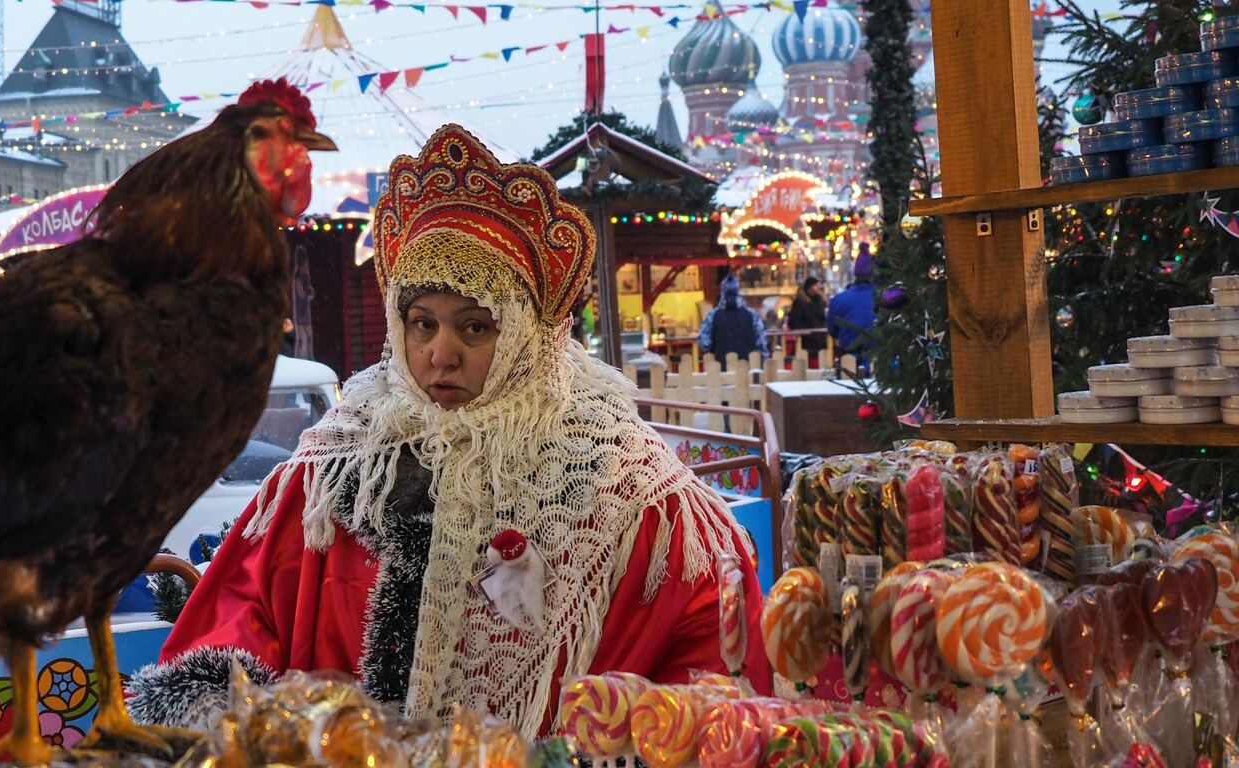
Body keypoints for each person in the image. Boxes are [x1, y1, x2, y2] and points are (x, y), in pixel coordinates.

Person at [128, 125, 769, 736]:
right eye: (421, 323)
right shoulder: (338, 463)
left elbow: (708, 645)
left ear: (524, 334)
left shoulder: (618, 477)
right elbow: (242, 618)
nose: (440, 354)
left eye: (475, 327)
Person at [698, 273, 767, 366]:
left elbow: (703, 342)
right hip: (748, 367)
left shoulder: (713, 315)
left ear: (722, 291)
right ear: (738, 291)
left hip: (721, 367)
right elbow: (762, 342)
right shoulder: (751, 315)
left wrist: (713, 349)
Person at [828, 245, 876, 357]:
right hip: (878, 357)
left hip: (849, 357)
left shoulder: (838, 300)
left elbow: (833, 330)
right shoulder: (883, 297)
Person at [787, 276, 829, 355]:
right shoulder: (800, 302)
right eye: (816, 285)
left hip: (820, 339)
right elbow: (794, 321)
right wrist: (805, 332)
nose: (819, 287)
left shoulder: (821, 301)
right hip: (806, 341)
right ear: (810, 287)